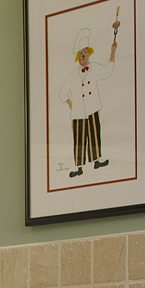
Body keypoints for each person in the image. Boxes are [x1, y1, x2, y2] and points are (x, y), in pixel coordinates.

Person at [60, 18, 121, 178]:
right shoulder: (73, 75)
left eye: (85, 53)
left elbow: (108, 71)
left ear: (89, 54)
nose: (83, 56)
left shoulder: (93, 70)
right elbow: (62, 93)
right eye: (81, 53)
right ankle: (79, 167)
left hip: (92, 107)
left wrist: (113, 52)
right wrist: (70, 104)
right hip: (78, 113)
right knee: (79, 139)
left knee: (94, 133)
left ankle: (96, 160)